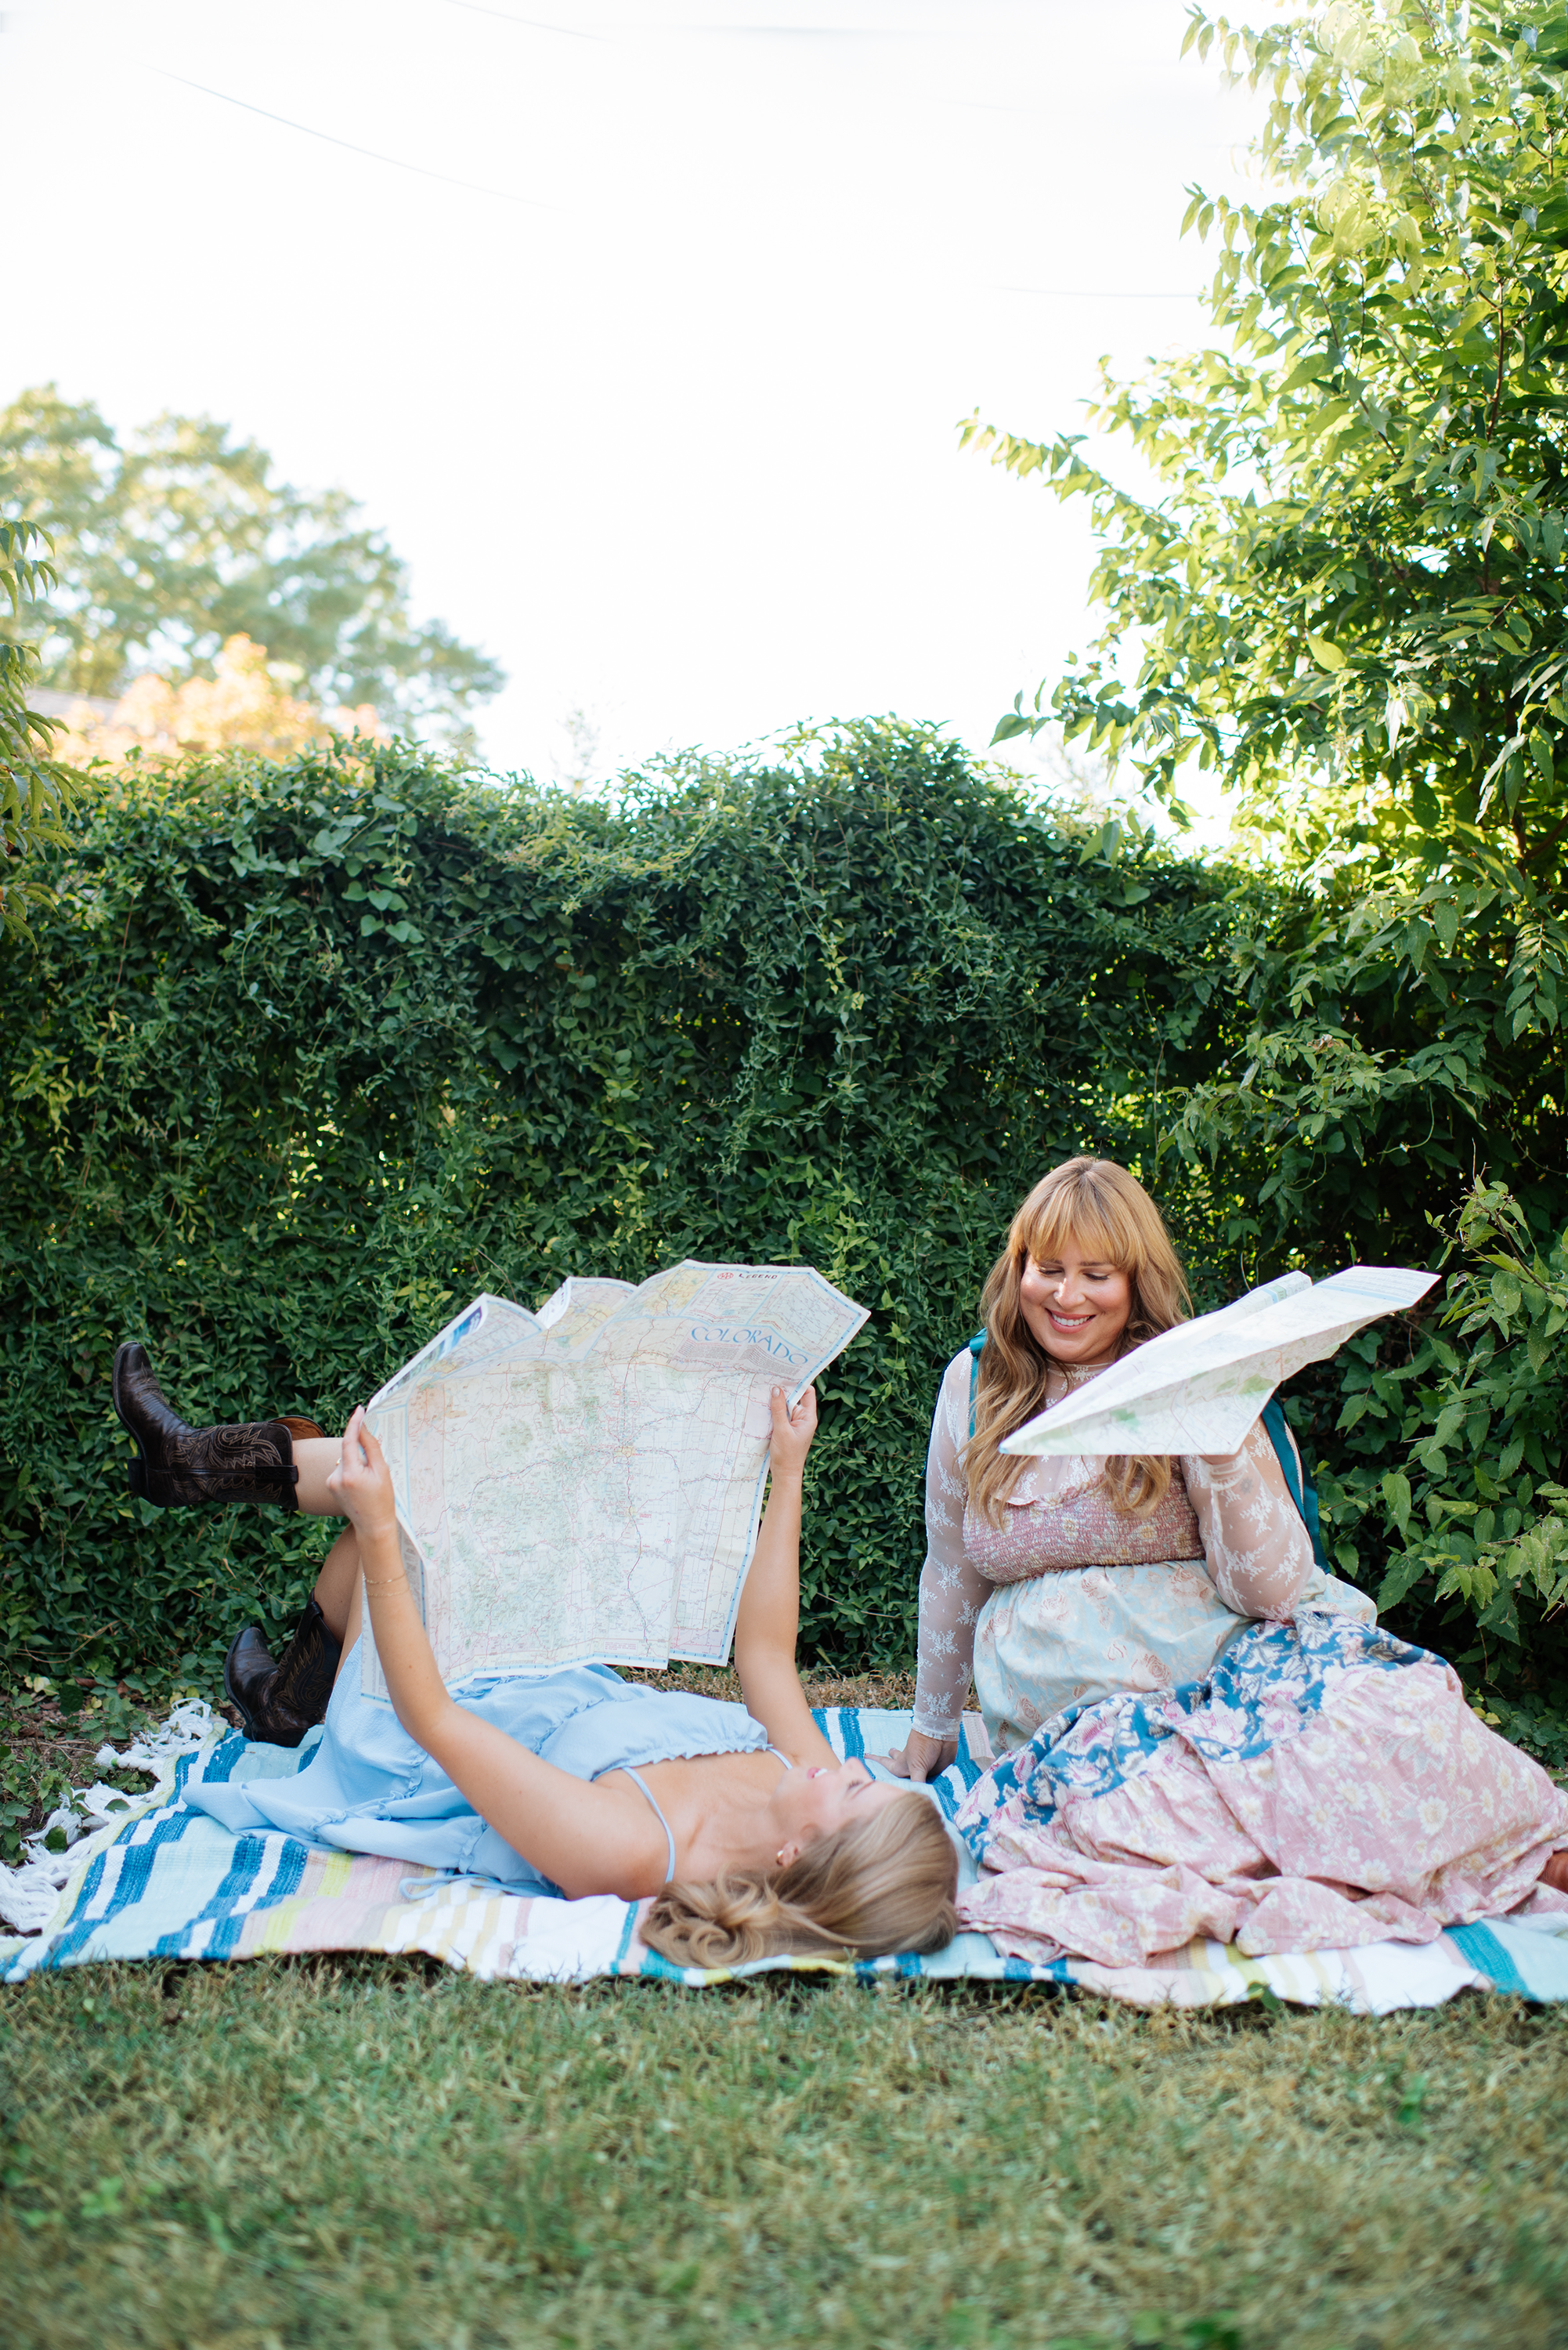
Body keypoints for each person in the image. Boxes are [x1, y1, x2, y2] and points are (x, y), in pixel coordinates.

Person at [880, 1157, 1568, 1963]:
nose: (1065, 1296)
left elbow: (1271, 1591)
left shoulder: (1196, 1376)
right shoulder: (975, 1385)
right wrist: (931, 1725)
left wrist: (1218, 1432)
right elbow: (951, 1567)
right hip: (1096, 1718)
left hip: (1240, 1670)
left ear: (1136, 1281)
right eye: (1047, 1268)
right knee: (1159, 1824)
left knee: (1386, 1721)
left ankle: (1532, 1859)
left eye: (1095, 1274)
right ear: (1018, 1268)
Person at [110, 1348, 958, 1968]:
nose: (845, 1764)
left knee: (410, 1487)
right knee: (457, 1478)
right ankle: (289, 1695)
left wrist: (380, 1535)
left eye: (852, 1789)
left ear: (792, 1858)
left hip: (409, 1732)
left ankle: (193, 1472)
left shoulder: (629, 1849)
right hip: (524, 1672)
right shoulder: (798, 1776)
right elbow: (765, 1653)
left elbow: (431, 1719)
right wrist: (789, 1466)